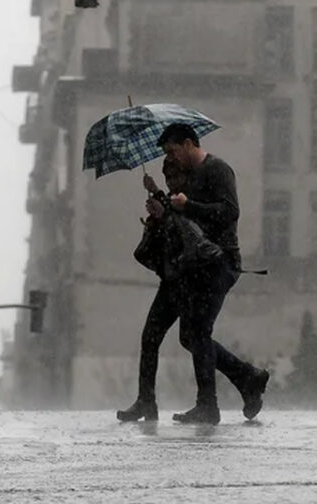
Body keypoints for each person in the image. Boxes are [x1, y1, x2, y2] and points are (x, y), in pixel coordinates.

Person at [117, 158, 268, 423]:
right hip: (173, 278)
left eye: (176, 177)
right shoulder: (171, 200)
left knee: (194, 336)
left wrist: (165, 210)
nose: (172, 183)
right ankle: (146, 401)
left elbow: (191, 231)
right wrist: (155, 210)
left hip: (191, 277)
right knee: (154, 336)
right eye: (168, 178)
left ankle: (220, 395)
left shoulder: (190, 199)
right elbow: (165, 236)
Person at [158, 123, 269, 425]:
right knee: (190, 336)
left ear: (188, 143)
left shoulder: (218, 169)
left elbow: (229, 212)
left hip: (220, 262)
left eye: (172, 151)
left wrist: (188, 205)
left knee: (198, 332)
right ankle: (247, 377)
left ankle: (209, 404)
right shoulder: (190, 177)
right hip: (198, 265)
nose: (172, 158)